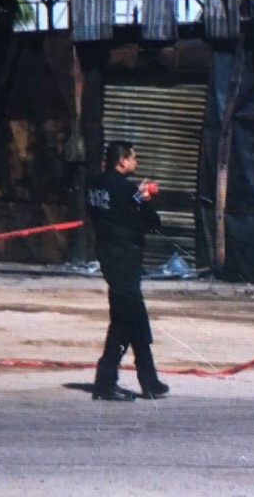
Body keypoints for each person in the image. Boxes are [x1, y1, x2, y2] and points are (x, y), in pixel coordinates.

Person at [87, 140, 169, 402]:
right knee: (124, 322)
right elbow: (152, 222)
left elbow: (114, 211)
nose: (136, 163)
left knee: (136, 318)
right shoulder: (125, 189)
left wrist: (136, 197)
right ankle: (105, 382)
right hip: (125, 258)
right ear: (121, 160)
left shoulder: (95, 184)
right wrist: (143, 199)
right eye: (133, 158)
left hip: (109, 257)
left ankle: (149, 380)